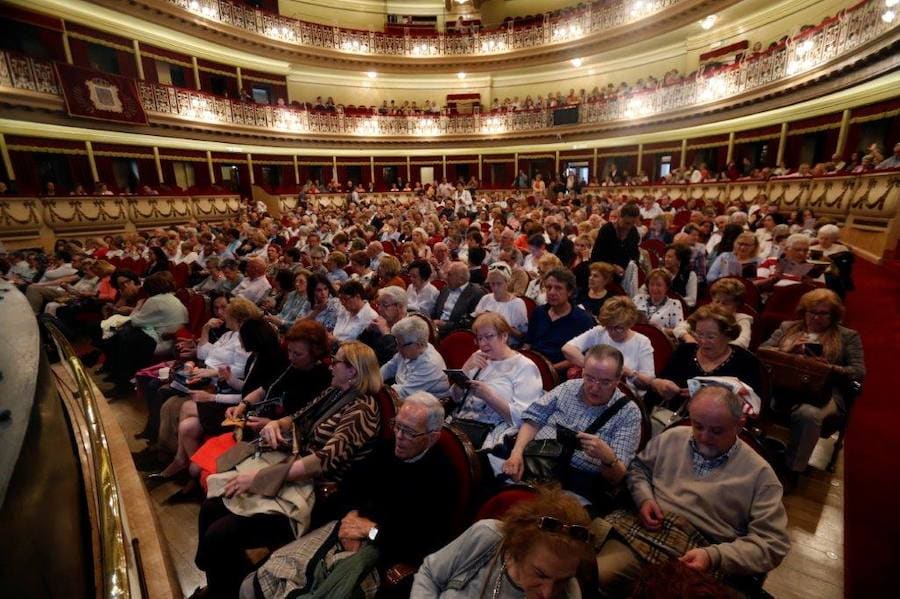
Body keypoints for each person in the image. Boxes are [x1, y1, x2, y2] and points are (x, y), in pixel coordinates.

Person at [196, 341, 384, 599]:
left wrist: (260, 479)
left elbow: (322, 462)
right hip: (294, 474)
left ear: (352, 371)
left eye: (336, 361)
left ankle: (225, 588)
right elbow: (297, 417)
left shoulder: (363, 410)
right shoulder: (335, 391)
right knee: (210, 507)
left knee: (220, 535)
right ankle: (221, 583)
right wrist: (276, 424)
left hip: (319, 493)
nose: (331, 365)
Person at [241, 393, 459, 599]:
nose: (399, 437)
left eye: (410, 432)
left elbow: (423, 542)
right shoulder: (386, 449)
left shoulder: (443, 476)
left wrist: (371, 532)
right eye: (397, 426)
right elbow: (350, 488)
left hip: (382, 554)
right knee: (253, 585)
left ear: (432, 438)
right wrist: (350, 516)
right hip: (346, 528)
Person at [595, 387, 790, 596]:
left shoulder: (761, 475)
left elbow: (772, 544)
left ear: (739, 425)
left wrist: (714, 556)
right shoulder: (673, 438)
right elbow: (639, 469)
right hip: (643, 535)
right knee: (593, 574)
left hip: (701, 555)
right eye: (698, 426)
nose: (704, 437)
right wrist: (644, 499)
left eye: (716, 431)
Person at [500, 345, 643, 506]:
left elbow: (616, 478)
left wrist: (608, 459)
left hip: (576, 486)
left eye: (605, 382)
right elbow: (533, 419)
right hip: (535, 461)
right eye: (589, 378)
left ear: (617, 380)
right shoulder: (568, 388)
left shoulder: (629, 413)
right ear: (582, 371)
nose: (594, 387)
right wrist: (516, 453)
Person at [413, 486, 595, 598]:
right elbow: (430, 574)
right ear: (518, 549)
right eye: (540, 574)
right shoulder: (487, 537)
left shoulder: (570, 593)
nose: (547, 593)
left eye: (562, 581)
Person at [761, 289, 864, 479]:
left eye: (823, 313)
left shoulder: (847, 336)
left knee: (808, 414)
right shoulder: (788, 327)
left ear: (834, 315)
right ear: (804, 311)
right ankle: (755, 451)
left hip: (825, 392)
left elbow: (858, 371)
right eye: (812, 312)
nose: (816, 318)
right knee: (751, 395)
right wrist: (786, 351)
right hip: (783, 386)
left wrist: (828, 368)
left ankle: (793, 469)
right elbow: (763, 350)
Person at [448, 313, 542, 449]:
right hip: (461, 424)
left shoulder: (524, 366)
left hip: (491, 433)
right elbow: (456, 398)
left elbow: (524, 418)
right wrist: (466, 368)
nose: (483, 343)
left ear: (504, 336)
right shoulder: (478, 358)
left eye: (489, 336)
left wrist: (489, 396)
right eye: (479, 338)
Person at [650, 305, 761, 408]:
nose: (702, 341)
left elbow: (751, 406)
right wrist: (658, 384)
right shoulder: (684, 351)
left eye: (710, 337)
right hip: (672, 419)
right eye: (699, 334)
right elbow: (659, 383)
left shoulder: (746, 362)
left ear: (728, 335)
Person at [101, 272, 188, 395]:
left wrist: (138, 305)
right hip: (170, 339)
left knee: (122, 338)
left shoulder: (154, 300)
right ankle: (118, 375)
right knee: (123, 336)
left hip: (163, 340)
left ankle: (122, 383)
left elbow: (136, 320)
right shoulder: (172, 298)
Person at [563, 296, 655, 392]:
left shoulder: (642, 342)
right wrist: (592, 366)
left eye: (618, 328)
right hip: (594, 390)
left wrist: (629, 373)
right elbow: (567, 349)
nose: (612, 332)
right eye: (609, 326)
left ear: (629, 324)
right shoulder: (600, 332)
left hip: (624, 395)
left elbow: (647, 383)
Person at [524, 268, 594, 370]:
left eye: (558, 288)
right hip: (532, 365)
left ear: (569, 292)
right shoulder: (539, 312)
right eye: (548, 287)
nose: (552, 292)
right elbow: (528, 343)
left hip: (558, 372)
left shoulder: (582, 320)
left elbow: (580, 357)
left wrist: (549, 370)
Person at [381, 316, 450, 399]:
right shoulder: (407, 350)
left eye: (401, 345)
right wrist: (373, 381)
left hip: (423, 406)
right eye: (397, 343)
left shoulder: (430, 364)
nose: (397, 348)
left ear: (418, 345)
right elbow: (388, 368)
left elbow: (404, 393)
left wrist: (377, 388)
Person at [674, 278, 753, 349]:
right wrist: (687, 337)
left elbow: (742, 343)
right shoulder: (705, 314)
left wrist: (715, 345)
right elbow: (679, 328)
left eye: (725, 303)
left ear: (736, 305)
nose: (719, 305)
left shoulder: (742, 319)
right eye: (717, 301)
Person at [473, 262, 529, 345]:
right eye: (492, 284)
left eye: (499, 284)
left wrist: (504, 326)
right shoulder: (486, 298)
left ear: (507, 282)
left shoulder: (517, 304)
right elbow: (475, 326)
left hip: (507, 346)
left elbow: (521, 336)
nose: (495, 288)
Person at [431, 262, 486, 337]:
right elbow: (435, 310)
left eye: (449, 275)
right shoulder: (445, 289)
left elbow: (469, 323)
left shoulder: (476, 294)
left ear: (461, 279)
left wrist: (446, 325)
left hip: (456, 334)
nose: (446, 277)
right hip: (436, 330)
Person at [590, 202, 640, 277]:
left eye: (633, 223)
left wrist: (633, 264)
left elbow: (634, 253)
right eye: (627, 223)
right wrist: (612, 266)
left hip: (624, 273)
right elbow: (596, 256)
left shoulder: (633, 232)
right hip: (604, 272)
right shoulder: (607, 229)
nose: (629, 227)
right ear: (619, 217)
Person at [633, 268, 685, 337]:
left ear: (667, 287)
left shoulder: (674, 304)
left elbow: (679, 331)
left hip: (658, 341)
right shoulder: (638, 299)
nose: (654, 288)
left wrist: (660, 329)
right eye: (651, 284)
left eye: (659, 285)